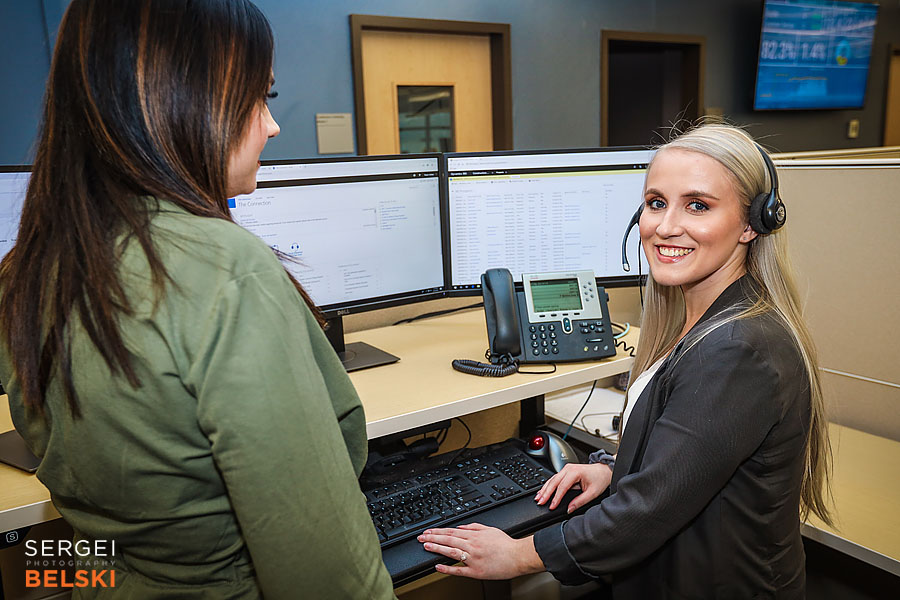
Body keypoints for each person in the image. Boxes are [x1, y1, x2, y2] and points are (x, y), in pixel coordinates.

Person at [0, 0, 394, 597]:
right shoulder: (222, 271)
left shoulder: (27, 269)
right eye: (257, 98)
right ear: (178, 100)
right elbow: (325, 572)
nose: (272, 125)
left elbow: (83, 538)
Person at [417, 124, 832, 599]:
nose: (665, 225)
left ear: (750, 223)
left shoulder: (739, 348)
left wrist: (519, 555)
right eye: (656, 203)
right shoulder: (709, 319)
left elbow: (646, 512)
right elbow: (693, 454)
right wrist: (619, 469)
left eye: (697, 205)